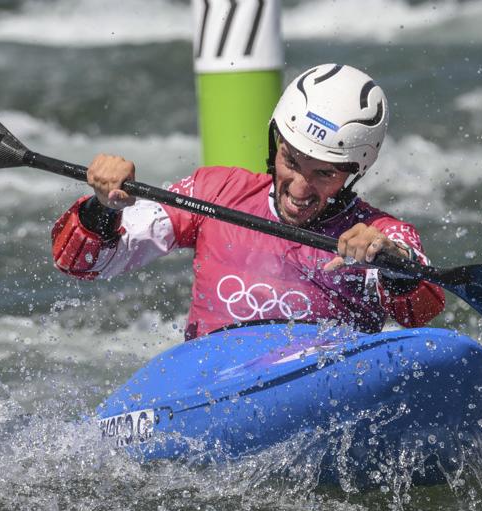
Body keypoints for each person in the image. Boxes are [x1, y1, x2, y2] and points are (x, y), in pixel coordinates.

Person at [51, 64, 445, 340]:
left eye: (325, 173)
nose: (300, 188)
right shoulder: (216, 191)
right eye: (291, 161)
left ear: (354, 173)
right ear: (274, 144)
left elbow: (422, 309)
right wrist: (104, 206)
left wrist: (389, 261)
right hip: (213, 388)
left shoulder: (382, 233)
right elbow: (81, 263)